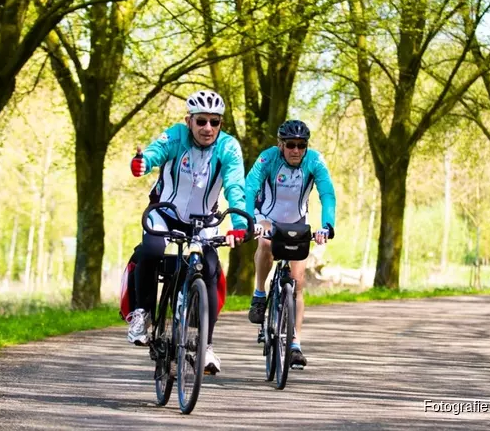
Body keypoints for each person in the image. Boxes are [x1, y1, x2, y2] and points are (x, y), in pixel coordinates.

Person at [127, 90, 248, 375]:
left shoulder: (229, 148)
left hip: (204, 221)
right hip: (165, 214)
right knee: (151, 251)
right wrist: (142, 164)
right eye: (202, 121)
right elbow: (155, 153)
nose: (208, 128)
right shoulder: (177, 135)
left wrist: (239, 225)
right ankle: (142, 315)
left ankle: (204, 345)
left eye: (215, 122)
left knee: (209, 269)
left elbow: (235, 187)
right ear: (189, 121)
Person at [245, 119, 336, 369]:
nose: (296, 150)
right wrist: (251, 220)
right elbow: (250, 186)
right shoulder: (268, 158)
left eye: (301, 145)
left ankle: (294, 344)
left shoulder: (314, 161)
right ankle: (259, 294)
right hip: (267, 219)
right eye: (290, 145)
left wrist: (326, 226)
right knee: (264, 243)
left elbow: (327, 193)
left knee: (297, 282)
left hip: (297, 222)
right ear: (280, 144)